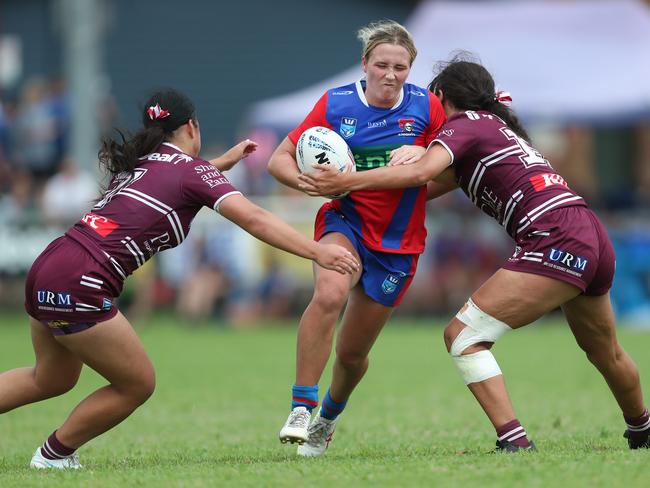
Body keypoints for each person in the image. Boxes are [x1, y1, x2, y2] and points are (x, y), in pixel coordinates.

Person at [298, 55, 650, 452]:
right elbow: (417, 192)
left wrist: (348, 178)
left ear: (442, 98)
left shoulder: (464, 125)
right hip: (591, 233)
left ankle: (514, 441)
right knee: (606, 351)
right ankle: (643, 428)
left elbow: (418, 174)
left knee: (462, 336)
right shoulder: (491, 130)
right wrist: (352, 191)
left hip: (555, 237)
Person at [0, 88, 359, 470]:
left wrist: (217, 164)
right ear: (191, 125)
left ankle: (53, 454)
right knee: (136, 384)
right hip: (81, 281)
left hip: (50, 265)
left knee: (50, 378)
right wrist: (317, 251)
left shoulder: (144, 162)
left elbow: (176, 183)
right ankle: (53, 455)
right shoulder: (192, 172)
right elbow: (254, 218)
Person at [267, 20, 446, 456]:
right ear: (364, 63)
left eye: (400, 67)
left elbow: (452, 168)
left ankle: (326, 418)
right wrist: (304, 183)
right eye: (381, 64)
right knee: (329, 293)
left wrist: (423, 155)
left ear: (410, 69)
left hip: (399, 245)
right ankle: (300, 406)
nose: (390, 74)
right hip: (343, 222)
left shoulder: (427, 109)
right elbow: (279, 159)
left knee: (351, 355)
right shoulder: (336, 103)